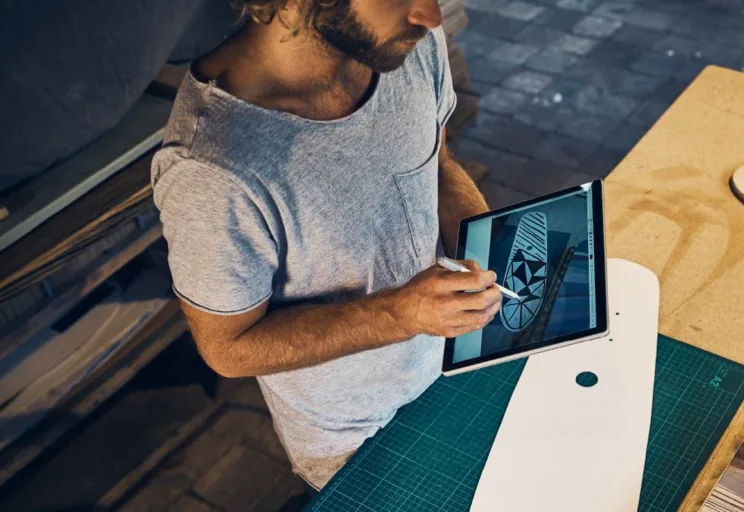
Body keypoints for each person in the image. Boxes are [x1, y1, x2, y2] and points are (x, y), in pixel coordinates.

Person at [151, 0, 501, 490]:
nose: (430, 15)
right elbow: (227, 348)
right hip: (358, 439)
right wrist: (399, 315)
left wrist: (491, 247)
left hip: (452, 364)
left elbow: (437, 165)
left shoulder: (405, 45)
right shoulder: (211, 168)